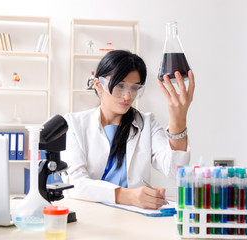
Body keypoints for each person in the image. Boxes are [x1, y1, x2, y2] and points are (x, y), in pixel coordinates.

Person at [62, 50, 195, 209]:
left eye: (134, 88)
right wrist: (129, 196)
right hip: (90, 214)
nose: (127, 96)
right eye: (120, 86)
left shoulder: (146, 123)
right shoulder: (73, 124)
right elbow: (75, 183)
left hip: (134, 216)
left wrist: (177, 119)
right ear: (98, 85)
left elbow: (174, 170)